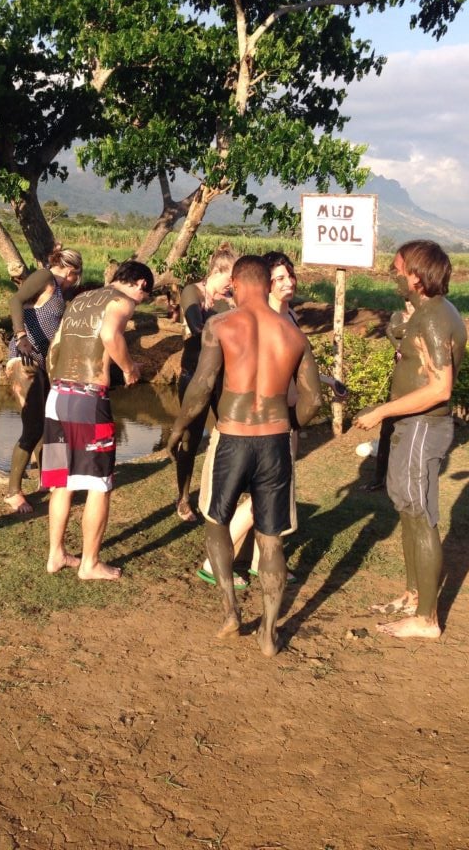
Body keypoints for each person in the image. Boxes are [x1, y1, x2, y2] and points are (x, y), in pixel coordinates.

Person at [167, 255, 322, 654]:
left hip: (233, 437)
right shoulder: (292, 334)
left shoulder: (221, 325)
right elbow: (313, 400)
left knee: (216, 520)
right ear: (266, 284)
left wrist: (181, 427)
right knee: (271, 541)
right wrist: (290, 422)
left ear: (236, 283)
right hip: (274, 440)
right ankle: (269, 633)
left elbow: (201, 387)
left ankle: (231, 612)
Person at [353, 240, 467, 639]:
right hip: (411, 427)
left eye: (398, 269)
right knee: (408, 511)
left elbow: (440, 388)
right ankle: (414, 594)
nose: (393, 274)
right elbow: (408, 345)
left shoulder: (436, 317)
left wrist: (381, 412)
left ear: (416, 276)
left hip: (422, 427)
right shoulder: (425, 312)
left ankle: (427, 619)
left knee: (421, 518)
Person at [41, 260, 155, 581]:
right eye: (144, 295)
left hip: (58, 394)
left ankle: (56, 554)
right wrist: (129, 367)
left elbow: (56, 346)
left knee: (62, 481)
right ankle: (90, 563)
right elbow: (109, 334)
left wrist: (57, 386)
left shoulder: (80, 299)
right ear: (139, 285)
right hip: (88, 399)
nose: (140, 302)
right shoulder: (122, 301)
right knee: (99, 484)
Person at [4, 245, 83, 514]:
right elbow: (15, 301)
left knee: (49, 422)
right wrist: (21, 336)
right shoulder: (44, 277)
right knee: (33, 426)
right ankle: (13, 491)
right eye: (77, 277)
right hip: (24, 359)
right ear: (71, 271)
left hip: (42, 364)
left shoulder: (60, 291)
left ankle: (46, 480)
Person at [174, 243, 236, 522]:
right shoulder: (192, 292)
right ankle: (184, 498)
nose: (231, 286)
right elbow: (195, 322)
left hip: (222, 377)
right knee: (191, 436)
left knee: (228, 434)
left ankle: (220, 494)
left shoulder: (228, 300)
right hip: (193, 376)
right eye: (229, 280)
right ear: (216, 271)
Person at [361, 301, 413, 492]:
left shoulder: (425, 319)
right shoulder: (398, 317)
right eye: (407, 300)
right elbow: (392, 333)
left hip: (416, 384)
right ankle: (379, 477)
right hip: (398, 382)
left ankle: (403, 479)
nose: (410, 303)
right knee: (387, 431)